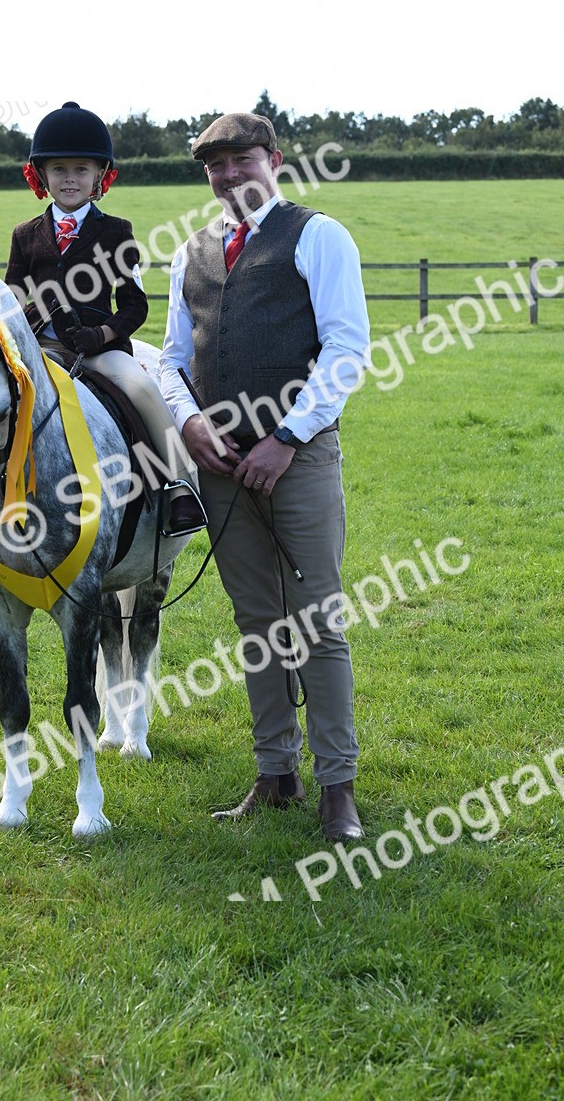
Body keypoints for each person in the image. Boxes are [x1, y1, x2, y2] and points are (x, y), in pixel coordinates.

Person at [160, 112, 370, 842]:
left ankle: (337, 786)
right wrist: (190, 424)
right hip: (219, 464)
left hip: (298, 457)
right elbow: (170, 359)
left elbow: (346, 350)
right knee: (258, 625)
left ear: (273, 160)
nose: (227, 176)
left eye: (240, 160)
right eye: (214, 166)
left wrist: (284, 437)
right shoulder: (191, 253)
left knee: (317, 623)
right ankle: (275, 773)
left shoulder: (318, 235)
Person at [0, 102, 205, 541]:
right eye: (59, 170)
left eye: (80, 169)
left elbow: (135, 307)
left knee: (143, 388)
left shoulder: (117, 230)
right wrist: (34, 319)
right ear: (42, 176)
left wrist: (101, 334)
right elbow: (9, 299)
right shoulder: (24, 234)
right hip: (33, 350)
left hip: (100, 352)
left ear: (99, 177)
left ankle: (178, 486)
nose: (70, 179)